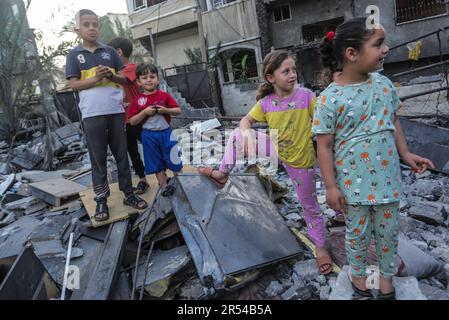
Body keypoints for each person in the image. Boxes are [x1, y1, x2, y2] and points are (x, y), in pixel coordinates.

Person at [313, 18, 435, 300]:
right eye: (378, 44)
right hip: (353, 189)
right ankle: (358, 282)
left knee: (388, 236)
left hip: (388, 183)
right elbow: (325, 146)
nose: (386, 49)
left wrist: (405, 154)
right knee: (356, 237)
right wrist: (330, 187)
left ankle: (387, 283)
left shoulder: (383, 85)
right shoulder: (329, 99)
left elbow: (393, 121)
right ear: (351, 54)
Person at [197, 50, 335, 275]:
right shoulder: (267, 103)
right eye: (286, 71)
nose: (292, 75)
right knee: (236, 135)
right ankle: (222, 173)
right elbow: (246, 120)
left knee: (309, 206)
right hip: (277, 150)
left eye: (293, 70)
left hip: (302, 160)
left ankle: (320, 248)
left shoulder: (306, 97)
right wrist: (247, 132)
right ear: (271, 78)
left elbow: (325, 125)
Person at [65, 9, 148, 222]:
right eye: (86, 25)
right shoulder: (74, 55)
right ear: (78, 29)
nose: (91, 28)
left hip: (116, 112)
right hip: (92, 114)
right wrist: (94, 79)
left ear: (99, 27)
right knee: (98, 158)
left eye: (95, 24)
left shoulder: (110, 52)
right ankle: (101, 199)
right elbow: (73, 84)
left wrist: (111, 74)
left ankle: (128, 193)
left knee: (122, 154)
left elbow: (125, 79)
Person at [128, 63, 183, 195]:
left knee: (173, 158)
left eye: (152, 76)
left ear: (157, 79)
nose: (149, 80)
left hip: (166, 133)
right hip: (149, 136)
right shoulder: (138, 101)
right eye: (144, 77)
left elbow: (178, 110)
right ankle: (164, 187)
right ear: (139, 82)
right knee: (156, 162)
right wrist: (145, 113)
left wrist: (165, 110)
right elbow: (132, 121)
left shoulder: (164, 96)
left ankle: (181, 184)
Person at [108, 37, 150, 195]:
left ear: (118, 52)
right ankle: (142, 179)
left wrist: (106, 74)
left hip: (138, 117)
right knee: (132, 151)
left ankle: (164, 174)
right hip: (122, 120)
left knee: (150, 146)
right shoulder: (114, 72)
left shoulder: (131, 68)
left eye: (110, 54)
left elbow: (124, 80)